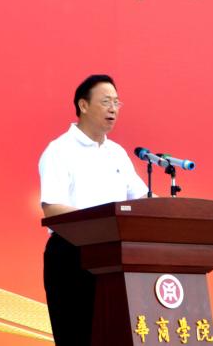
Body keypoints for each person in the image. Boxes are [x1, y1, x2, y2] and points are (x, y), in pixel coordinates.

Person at [39, 75, 150, 345]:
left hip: (116, 258)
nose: (113, 109)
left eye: (117, 103)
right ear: (83, 105)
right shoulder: (60, 150)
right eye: (106, 102)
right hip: (72, 255)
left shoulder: (117, 153)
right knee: (79, 338)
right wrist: (101, 226)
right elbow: (52, 208)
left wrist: (170, 208)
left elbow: (141, 198)